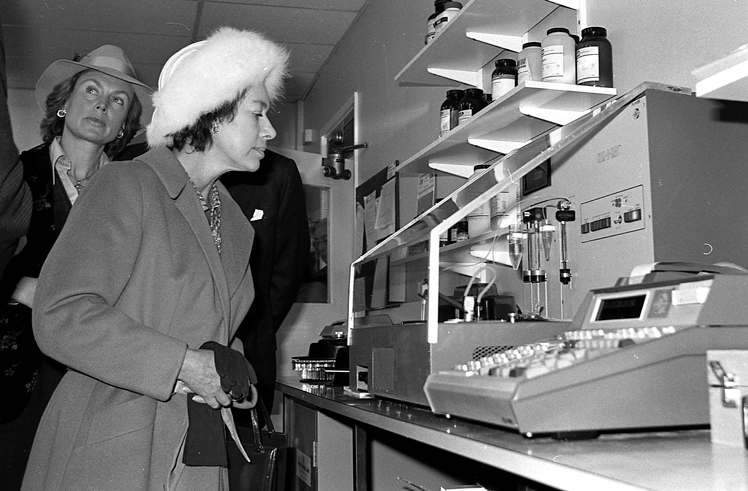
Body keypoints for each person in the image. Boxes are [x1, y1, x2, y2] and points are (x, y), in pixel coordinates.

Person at [23, 27, 289, 491]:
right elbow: (60, 314)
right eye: (257, 112)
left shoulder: (233, 222)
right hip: (112, 441)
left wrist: (231, 369)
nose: (269, 130)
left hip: (194, 447)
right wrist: (185, 364)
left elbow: (208, 327)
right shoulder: (126, 184)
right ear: (211, 112)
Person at [0, 44, 149, 490]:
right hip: (18, 374)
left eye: (118, 100)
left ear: (123, 125)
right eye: (91, 90)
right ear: (63, 103)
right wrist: (17, 286)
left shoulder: (136, 192)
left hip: (101, 375)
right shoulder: (14, 176)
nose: (103, 104)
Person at [221, 149, 310, 422]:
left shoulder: (277, 172)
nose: (268, 131)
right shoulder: (147, 166)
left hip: (248, 354)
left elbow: (287, 271)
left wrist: (255, 327)